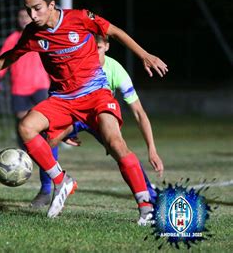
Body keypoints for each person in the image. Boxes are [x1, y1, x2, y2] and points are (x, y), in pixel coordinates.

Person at [0, 0, 168, 223]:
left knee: (116, 144)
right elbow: (10, 57)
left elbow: (114, 31)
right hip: (62, 99)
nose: (32, 15)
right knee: (26, 128)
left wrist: (144, 55)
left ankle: (146, 206)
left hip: (95, 94)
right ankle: (61, 181)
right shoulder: (33, 33)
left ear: (51, 5)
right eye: (28, 9)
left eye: (37, 8)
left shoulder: (79, 18)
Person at [47, 34, 163, 208]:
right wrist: (62, 130)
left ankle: (149, 194)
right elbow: (57, 98)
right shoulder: (75, 65)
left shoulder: (115, 69)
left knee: (119, 148)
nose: (93, 53)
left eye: (98, 48)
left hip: (100, 116)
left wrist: (152, 149)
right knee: (48, 138)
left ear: (107, 47)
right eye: (89, 48)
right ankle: (47, 189)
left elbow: (138, 112)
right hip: (77, 115)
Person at [0, 8, 58, 208]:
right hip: (19, 86)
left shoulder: (41, 35)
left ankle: (43, 167)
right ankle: (27, 152)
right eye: (20, 16)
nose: (24, 19)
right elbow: (4, 57)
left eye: (26, 16)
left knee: (44, 127)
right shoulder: (13, 38)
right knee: (22, 123)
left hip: (40, 85)